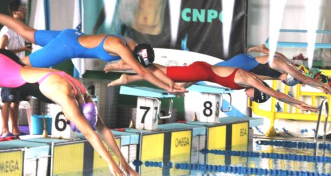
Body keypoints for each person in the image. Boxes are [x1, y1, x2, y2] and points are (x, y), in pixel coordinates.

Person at [0, 48, 141, 176]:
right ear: (77, 111)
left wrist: (123, 161)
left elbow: (102, 129)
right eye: (70, 120)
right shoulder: (64, 95)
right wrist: (111, 163)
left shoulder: (83, 95)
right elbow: (89, 133)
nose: (67, 118)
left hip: (10, 63)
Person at [0, 13, 184, 94]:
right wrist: (165, 88)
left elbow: (150, 67)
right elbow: (143, 72)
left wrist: (170, 83)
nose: (130, 63)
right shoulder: (119, 46)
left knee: (27, 32)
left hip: (71, 35)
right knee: (20, 66)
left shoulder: (134, 44)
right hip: (66, 47)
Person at [105, 61, 319, 112]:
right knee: (160, 72)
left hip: (201, 74)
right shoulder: (251, 80)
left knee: (166, 76)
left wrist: (188, 83)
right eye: (254, 98)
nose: (251, 98)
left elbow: (272, 87)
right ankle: (126, 67)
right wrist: (298, 103)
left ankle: (128, 75)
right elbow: (275, 93)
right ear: (258, 91)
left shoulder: (250, 80)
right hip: (201, 72)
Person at [251, 44, 331, 113]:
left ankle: (264, 52)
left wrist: (314, 85)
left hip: (311, 78)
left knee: (286, 65)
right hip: (311, 76)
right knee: (287, 63)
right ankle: (265, 50)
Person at [219, 44, 331, 95]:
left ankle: (264, 49)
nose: (282, 81)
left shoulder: (281, 73)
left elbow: (303, 79)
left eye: (284, 82)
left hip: (248, 67)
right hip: (243, 64)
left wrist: (318, 87)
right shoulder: (281, 65)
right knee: (214, 69)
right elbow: (304, 78)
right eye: (285, 81)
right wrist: (321, 85)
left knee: (218, 76)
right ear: (288, 75)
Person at [0, 0, 32, 139]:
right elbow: (1, 49)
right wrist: (21, 49)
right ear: (14, 13)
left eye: (24, 9)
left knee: (16, 101)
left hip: (18, 70)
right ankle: (5, 130)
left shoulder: (20, 29)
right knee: (7, 101)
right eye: (21, 10)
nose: (24, 11)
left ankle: (15, 129)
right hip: (7, 70)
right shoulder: (7, 30)